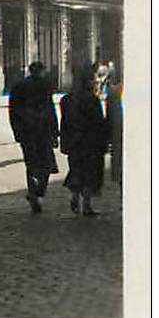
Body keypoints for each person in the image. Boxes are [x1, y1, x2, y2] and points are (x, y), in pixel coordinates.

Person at [8, 61, 59, 213]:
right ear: (41, 71)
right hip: (41, 132)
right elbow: (50, 110)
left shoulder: (19, 87)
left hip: (28, 133)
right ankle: (38, 191)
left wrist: (17, 132)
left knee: (31, 165)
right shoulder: (44, 86)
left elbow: (13, 112)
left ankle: (34, 192)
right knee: (46, 164)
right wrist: (55, 131)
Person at [61, 65, 110, 216]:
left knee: (76, 170)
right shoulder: (91, 100)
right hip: (90, 143)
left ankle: (75, 197)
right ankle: (86, 205)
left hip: (74, 142)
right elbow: (98, 123)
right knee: (90, 174)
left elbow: (64, 123)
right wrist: (104, 141)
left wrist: (65, 141)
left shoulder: (67, 100)